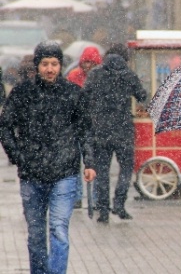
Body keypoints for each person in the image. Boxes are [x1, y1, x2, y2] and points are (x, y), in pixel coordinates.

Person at [0, 40, 96, 274]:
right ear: (37, 65)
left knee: (59, 229)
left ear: (60, 65)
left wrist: (89, 162)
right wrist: (18, 156)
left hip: (65, 174)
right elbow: (5, 126)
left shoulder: (73, 93)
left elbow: (85, 129)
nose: (50, 69)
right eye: (45, 63)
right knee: (35, 235)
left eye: (54, 63)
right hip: (32, 175)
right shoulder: (23, 93)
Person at [81, 43, 147, 223]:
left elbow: (83, 97)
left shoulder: (95, 74)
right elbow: (142, 95)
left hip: (100, 129)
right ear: (125, 57)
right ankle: (119, 204)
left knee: (102, 171)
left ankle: (103, 211)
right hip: (123, 129)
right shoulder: (129, 74)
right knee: (126, 169)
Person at [66, 47, 103, 209]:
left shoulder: (101, 77)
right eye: (86, 61)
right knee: (76, 163)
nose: (88, 65)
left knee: (94, 164)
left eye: (91, 62)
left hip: (96, 126)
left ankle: (95, 198)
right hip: (78, 125)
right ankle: (77, 197)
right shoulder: (74, 76)